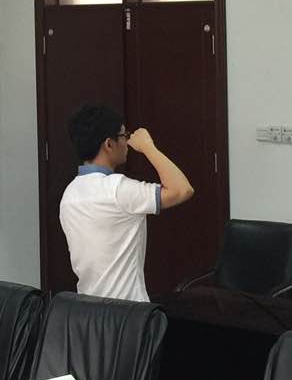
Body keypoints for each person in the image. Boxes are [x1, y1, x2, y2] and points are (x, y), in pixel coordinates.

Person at [58, 105, 194, 304]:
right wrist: (148, 147)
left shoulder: (69, 194)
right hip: (127, 310)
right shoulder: (117, 189)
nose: (127, 143)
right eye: (124, 136)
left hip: (87, 309)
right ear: (109, 144)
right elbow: (182, 190)